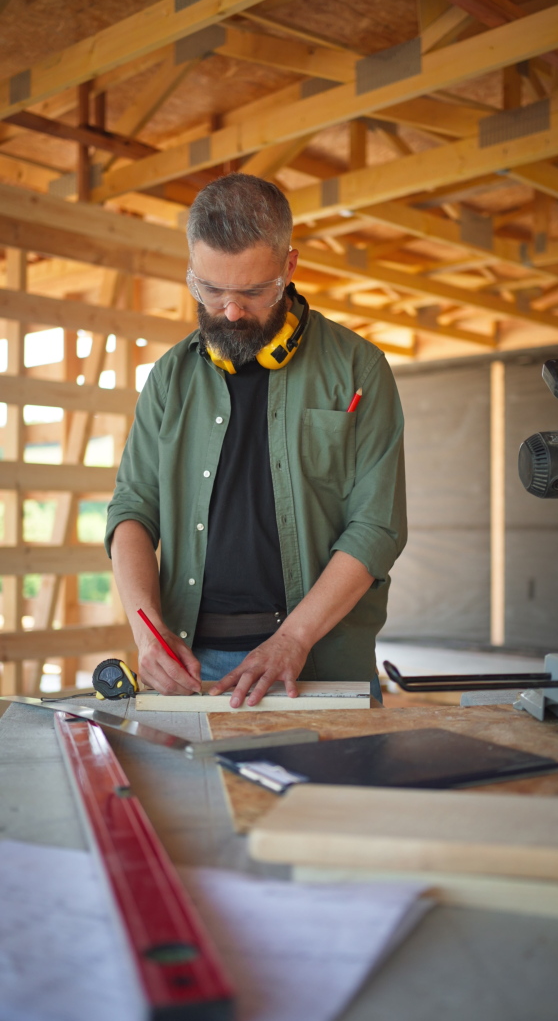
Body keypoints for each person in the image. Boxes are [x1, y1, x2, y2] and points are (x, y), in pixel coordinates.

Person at [105, 174, 406, 708]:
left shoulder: (360, 369)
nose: (230, 311)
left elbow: (377, 527)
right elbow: (133, 508)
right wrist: (145, 629)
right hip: (190, 665)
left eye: (251, 291)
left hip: (318, 660)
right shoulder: (167, 379)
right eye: (211, 289)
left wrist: (292, 639)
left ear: (288, 268)